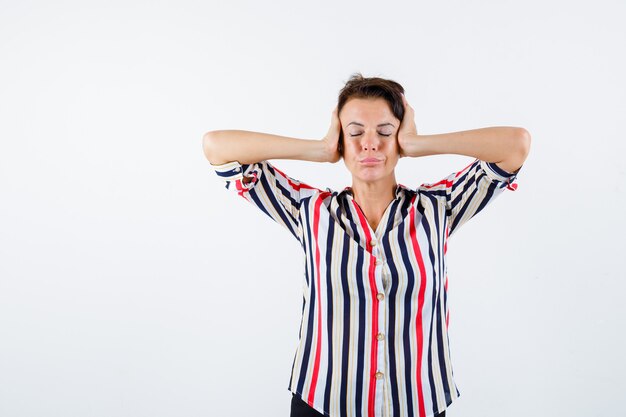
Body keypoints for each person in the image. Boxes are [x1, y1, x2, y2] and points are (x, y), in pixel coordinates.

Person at [202, 73, 531, 417]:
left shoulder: (438, 208)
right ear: (340, 140)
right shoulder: (309, 210)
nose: (370, 144)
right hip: (323, 403)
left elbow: (516, 145)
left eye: (386, 132)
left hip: (417, 405)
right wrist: (319, 149)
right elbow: (217, 147)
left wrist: (418, 144)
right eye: (355, 132)